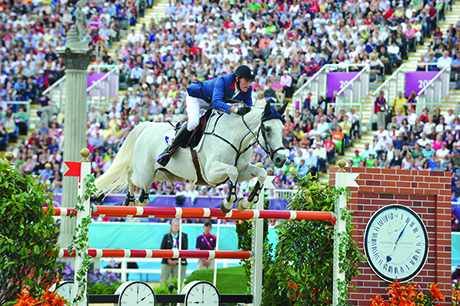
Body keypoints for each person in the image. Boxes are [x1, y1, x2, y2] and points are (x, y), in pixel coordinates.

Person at [157, 65, 255, 166]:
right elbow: (217, 102)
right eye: (246, 80)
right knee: (194, 123)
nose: (248, 84)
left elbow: (250, 109)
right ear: (237, 78)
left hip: (212, 103)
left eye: (250, 81)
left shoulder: (248, 90)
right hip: (197, 98)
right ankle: (169, 150)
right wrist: (235, 109)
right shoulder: (223, 81)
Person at [160, 220, 188, 284]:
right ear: (171, 226)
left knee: (176, 282)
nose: (175, 227)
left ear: (179, 227)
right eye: (174, 225)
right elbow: (162, 249)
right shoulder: (166, 236)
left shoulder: (182, 237)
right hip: (167, 262)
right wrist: (168, 259)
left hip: (177, 262)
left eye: (177, 225)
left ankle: (175, 294)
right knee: (164, 280)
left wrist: (176, 260)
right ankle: (162, 294)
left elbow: (184, 250)